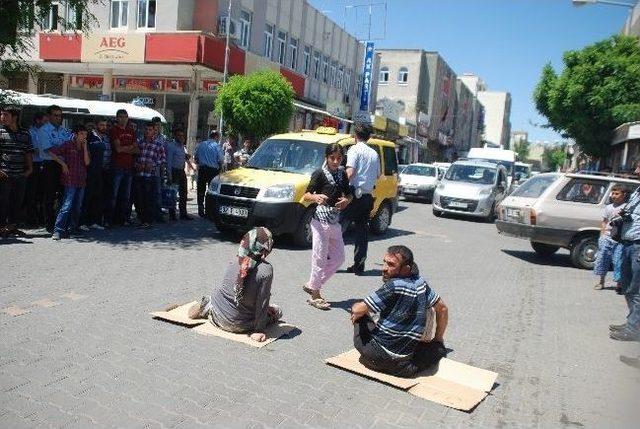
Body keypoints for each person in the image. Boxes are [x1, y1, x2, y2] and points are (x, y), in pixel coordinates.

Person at [350, 245, 449, 377]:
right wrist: (438, 339)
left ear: (406, 269)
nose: (384, 268)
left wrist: (357, 308)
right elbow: (443, 309)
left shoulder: (393, 285)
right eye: (384, 262)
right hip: (402, 368)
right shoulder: (421, 284)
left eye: (391, 265)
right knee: (438, 350)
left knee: (360, 311)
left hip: (373, 357)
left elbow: (357, 310)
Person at [187, 227, 282, 342]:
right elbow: (262, 302)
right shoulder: (266, 270)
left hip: (218, 316)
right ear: (267, 247)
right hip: (242, 326)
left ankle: (206, 306)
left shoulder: (235, 260)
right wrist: (259, 330)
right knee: (277, 310)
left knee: (216, 298)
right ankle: (210, 306)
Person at [302, 143, 352, 310]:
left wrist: (347, 200)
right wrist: (315, 198)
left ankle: (313, 284)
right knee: (319, 258)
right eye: (333, 158)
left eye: (339, 158)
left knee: (339, 258)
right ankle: (315, 294)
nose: (336, 161)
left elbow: (348, 193)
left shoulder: (342, 174)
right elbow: (306, 194)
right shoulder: (319, 173)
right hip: (319, 221)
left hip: (334, 221)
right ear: (326, 157)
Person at [342, 122, 380, 275]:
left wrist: (338, 183)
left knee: (337, 226)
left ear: (355, 136)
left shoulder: (354, 150)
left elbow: (350, 173)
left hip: (353, 195)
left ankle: (329, 260)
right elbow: (378, 175)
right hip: (367, 197)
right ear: (368, 137)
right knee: (362, 232)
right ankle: (359, 265)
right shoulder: (374, 153)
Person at [46, 124, 90, 240]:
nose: (84, 136)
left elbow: (87, 162)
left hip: (81, 180)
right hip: (70, 180)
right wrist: (63, 164)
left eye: (85, 134)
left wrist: (85, 147)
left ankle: (73, 228)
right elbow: (50, 152)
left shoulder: (85, 146)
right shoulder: (68, 144)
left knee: (78, 206)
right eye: (81, 134)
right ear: (75, 134)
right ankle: (58, 230)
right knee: (66, 205)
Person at [612, 161, 640, 342]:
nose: (636, 170)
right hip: (628, 243)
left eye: (639, 167)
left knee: (637, 290)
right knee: (628, 288)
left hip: (638, 245)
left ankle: (634, 330)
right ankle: (632, 322)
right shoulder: (637, 191)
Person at [0, 106, 33, 237]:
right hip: (4, 174)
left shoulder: (25, 133)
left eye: (5, 115)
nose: (2, 117)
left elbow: (28, 152)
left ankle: (12, 226)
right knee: (3, 202)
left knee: (17, 202)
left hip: (20, 174)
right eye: (1, 114)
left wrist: (30, 168)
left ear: (15, 117)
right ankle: (1, 227)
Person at [38, 105, 73, 232]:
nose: (58, 118)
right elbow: (48, 151)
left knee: (64, 195)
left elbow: (68, 147)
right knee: (49, 196)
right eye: (55, 115)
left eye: (60, 115)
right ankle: (50, 225)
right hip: (50, 165)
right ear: (48, 116)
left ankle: (61, 224)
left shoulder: (64, 131)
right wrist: (62, 163)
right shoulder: (44, 130)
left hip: (63, 165)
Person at [108, 109, 138, 227]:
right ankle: (109, 219)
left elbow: (137, 149)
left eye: (125, 117)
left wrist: (127, 148)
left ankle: (123, 219)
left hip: (129, 167)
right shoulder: (113, 130)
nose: (123, 119)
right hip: (117, 166)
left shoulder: (131, 131)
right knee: (113, 195)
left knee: (126, 196)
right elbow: (118, 149)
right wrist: (130, 147)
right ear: (117, 118)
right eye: (120, 117)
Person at [593, 185, 626, 291]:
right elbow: (604, 222)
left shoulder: (626, 207)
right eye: (613, 193)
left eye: (617, 194)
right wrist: (602, 236)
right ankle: (601, 281)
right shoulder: (608, 207)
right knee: (602, 259)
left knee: (618, 261)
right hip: (607, 237)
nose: (614, 196)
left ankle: (619, 284)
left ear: (624, 195)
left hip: (620, 239)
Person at [135, 122, 166, 228]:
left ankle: (148, 221)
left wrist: (153, 164)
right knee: (140, 198)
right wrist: (137, 164)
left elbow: (162, 159)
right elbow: (136, 156)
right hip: (140, 174)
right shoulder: (140, 142)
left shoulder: (158, 144)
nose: (148, 131)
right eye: (146, 129)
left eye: (150, 130)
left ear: (154, 131)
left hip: (151, 174)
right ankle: (142, 219)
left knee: (149, 199)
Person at [81, 117, 110, 230]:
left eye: (105, 125)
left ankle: (95, 221)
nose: (104, 127)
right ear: (96, 125)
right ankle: (82, 222)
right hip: (90, 171)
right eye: (102, 125)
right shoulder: (90, 137)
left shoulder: (104, 137)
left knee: (98, 197)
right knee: (87, 197)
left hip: (101, 171)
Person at [24, 112, 46, 226]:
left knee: (41, 193)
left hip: (44, 164)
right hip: (34, 164)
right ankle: (30, 219)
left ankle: (41, 218)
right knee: (31, 193)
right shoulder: (30, 132)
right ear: (38, 120)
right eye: (44, 120)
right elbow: (34, 150)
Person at [194, 130, 223, 217]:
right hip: (213, 171)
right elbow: (221, 160)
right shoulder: (217, 146)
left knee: (201, 190)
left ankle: (200, 208)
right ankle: (209, 210)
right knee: (211, 191)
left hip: (202, 169)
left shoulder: (201, 144)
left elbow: (196, 158)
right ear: (216, 137)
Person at [165, 128, 192, 221]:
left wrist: (186, 157)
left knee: (184, 193)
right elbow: (168, 162)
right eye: (179, 136)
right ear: (175, 136)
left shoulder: (182, 147)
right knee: (173, 193)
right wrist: (169, 176)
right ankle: (172, 214)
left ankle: (183, 213)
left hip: (181, 171)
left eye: (183, 136)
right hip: (174, 171)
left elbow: (182, 157)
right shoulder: (171, 146)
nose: (181, 138)